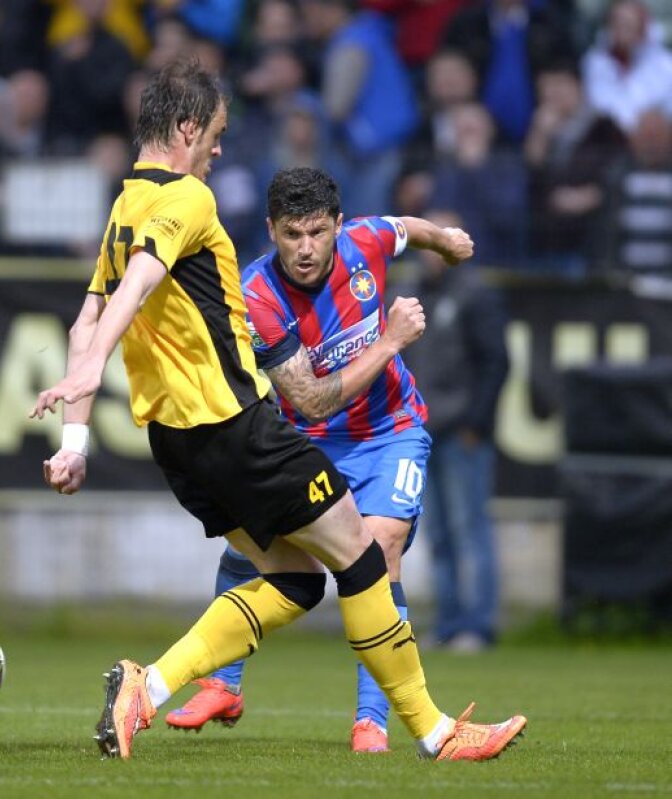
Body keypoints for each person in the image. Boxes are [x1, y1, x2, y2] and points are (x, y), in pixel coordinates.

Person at [30, 57, 526, 762]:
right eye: (217, 134)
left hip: (176, 445)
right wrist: (86, 370)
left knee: (295, 579)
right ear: (186, 127)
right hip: (238, 426)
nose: (220, 149)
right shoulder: (188, 199)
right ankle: (435, 731)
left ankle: (150, 684)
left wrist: (75, 436)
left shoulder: (122, 207)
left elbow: (90, 316)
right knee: (362, 559)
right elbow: (134, 292)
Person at [162, 166, 471, 753]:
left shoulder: (367, 240)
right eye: (291, 235)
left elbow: (406, 227)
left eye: (317, 233)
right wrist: (390, 341)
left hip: (391, 431)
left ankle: (371, 720)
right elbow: (309, 398)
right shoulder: (255, 294)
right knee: (251, 548)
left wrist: (447, 240)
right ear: (271, 230)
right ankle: (223, 684)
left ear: (338, 226)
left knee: (378, 550)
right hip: (309, 436)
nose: (305, 250)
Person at [398, 209, 509, 652]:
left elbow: (496, 363)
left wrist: (476, 425)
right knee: (437, 532)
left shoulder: (475, 294)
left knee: (469, 529)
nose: (433, 251)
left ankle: (478, 625)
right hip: (422, 430)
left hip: (462, 432)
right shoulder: (409, 293)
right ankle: (448, 623)